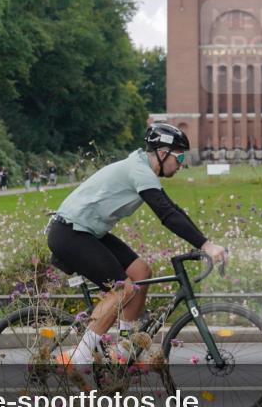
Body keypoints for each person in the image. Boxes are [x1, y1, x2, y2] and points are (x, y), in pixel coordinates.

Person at [48, 123, 227, 372]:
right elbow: (166, 215)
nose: (183, 163)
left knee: (141, 272)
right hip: (70, 232)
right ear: (162, 153)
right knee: (123, 290)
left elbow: (172, 209)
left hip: (87, 230)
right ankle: (81, 354)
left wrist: (205, 241)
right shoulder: (139, 171)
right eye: (181, 156)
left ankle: (122, 349)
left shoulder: (142, 169)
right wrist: (206, 245)